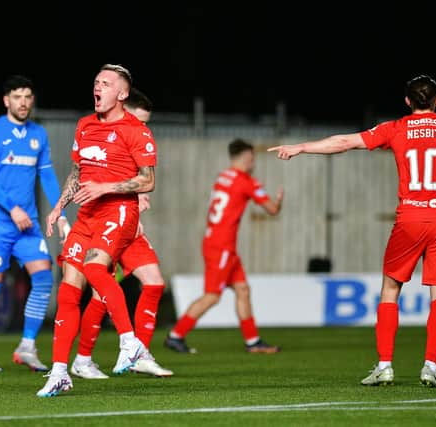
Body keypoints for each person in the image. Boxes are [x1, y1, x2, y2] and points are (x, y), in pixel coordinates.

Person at [268, 75, 436, 388]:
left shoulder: (395, 128)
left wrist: (300, 147)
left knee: (390, 290)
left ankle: (385, 365)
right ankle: (430, 366)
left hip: (410, 218)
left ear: (408, 102)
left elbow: (344, 142)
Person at [37, 64, 158, 397]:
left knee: (94, 268)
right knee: (68, 288)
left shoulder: (136, 130)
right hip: (87, 214)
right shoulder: (85, 125)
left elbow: (148, 180)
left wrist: (106, 187)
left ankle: (130, 342)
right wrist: (59, 207)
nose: (98, 87)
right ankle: (61, 371)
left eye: (106, 83)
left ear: (121, 94)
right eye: (95, 82)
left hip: (119, 209)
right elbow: (77, 172)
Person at [68, 87, 173, 379]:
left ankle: (139, 353)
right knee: (101, 293)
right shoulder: (110, 130)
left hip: (128, 223)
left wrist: (136, 198)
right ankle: (83, 358)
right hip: (106, 222)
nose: (143, 127)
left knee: (154, 283)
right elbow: (91, 174)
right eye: (140, 120)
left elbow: (141, 177)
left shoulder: (137, 136)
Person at [0, 75, 69, 374]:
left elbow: (48, 177)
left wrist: (61, 213)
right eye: (17, 97)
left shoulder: (38, 134)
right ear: (6, 100)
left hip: (27, 224)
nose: (23, 102)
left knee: (43, 277)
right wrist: (13, 209)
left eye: (28, 96)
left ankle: (27, 347)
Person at [165, 138, 284, 354]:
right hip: (222, 247)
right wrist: (279, 201)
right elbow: (272, 209)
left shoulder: (223, 177)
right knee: (212, 296)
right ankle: (176, 335)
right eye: (252, 156)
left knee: (242, 289)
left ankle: (253, 342)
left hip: (216, 241)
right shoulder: (246, 181)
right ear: (247, 157)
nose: (253, 160)